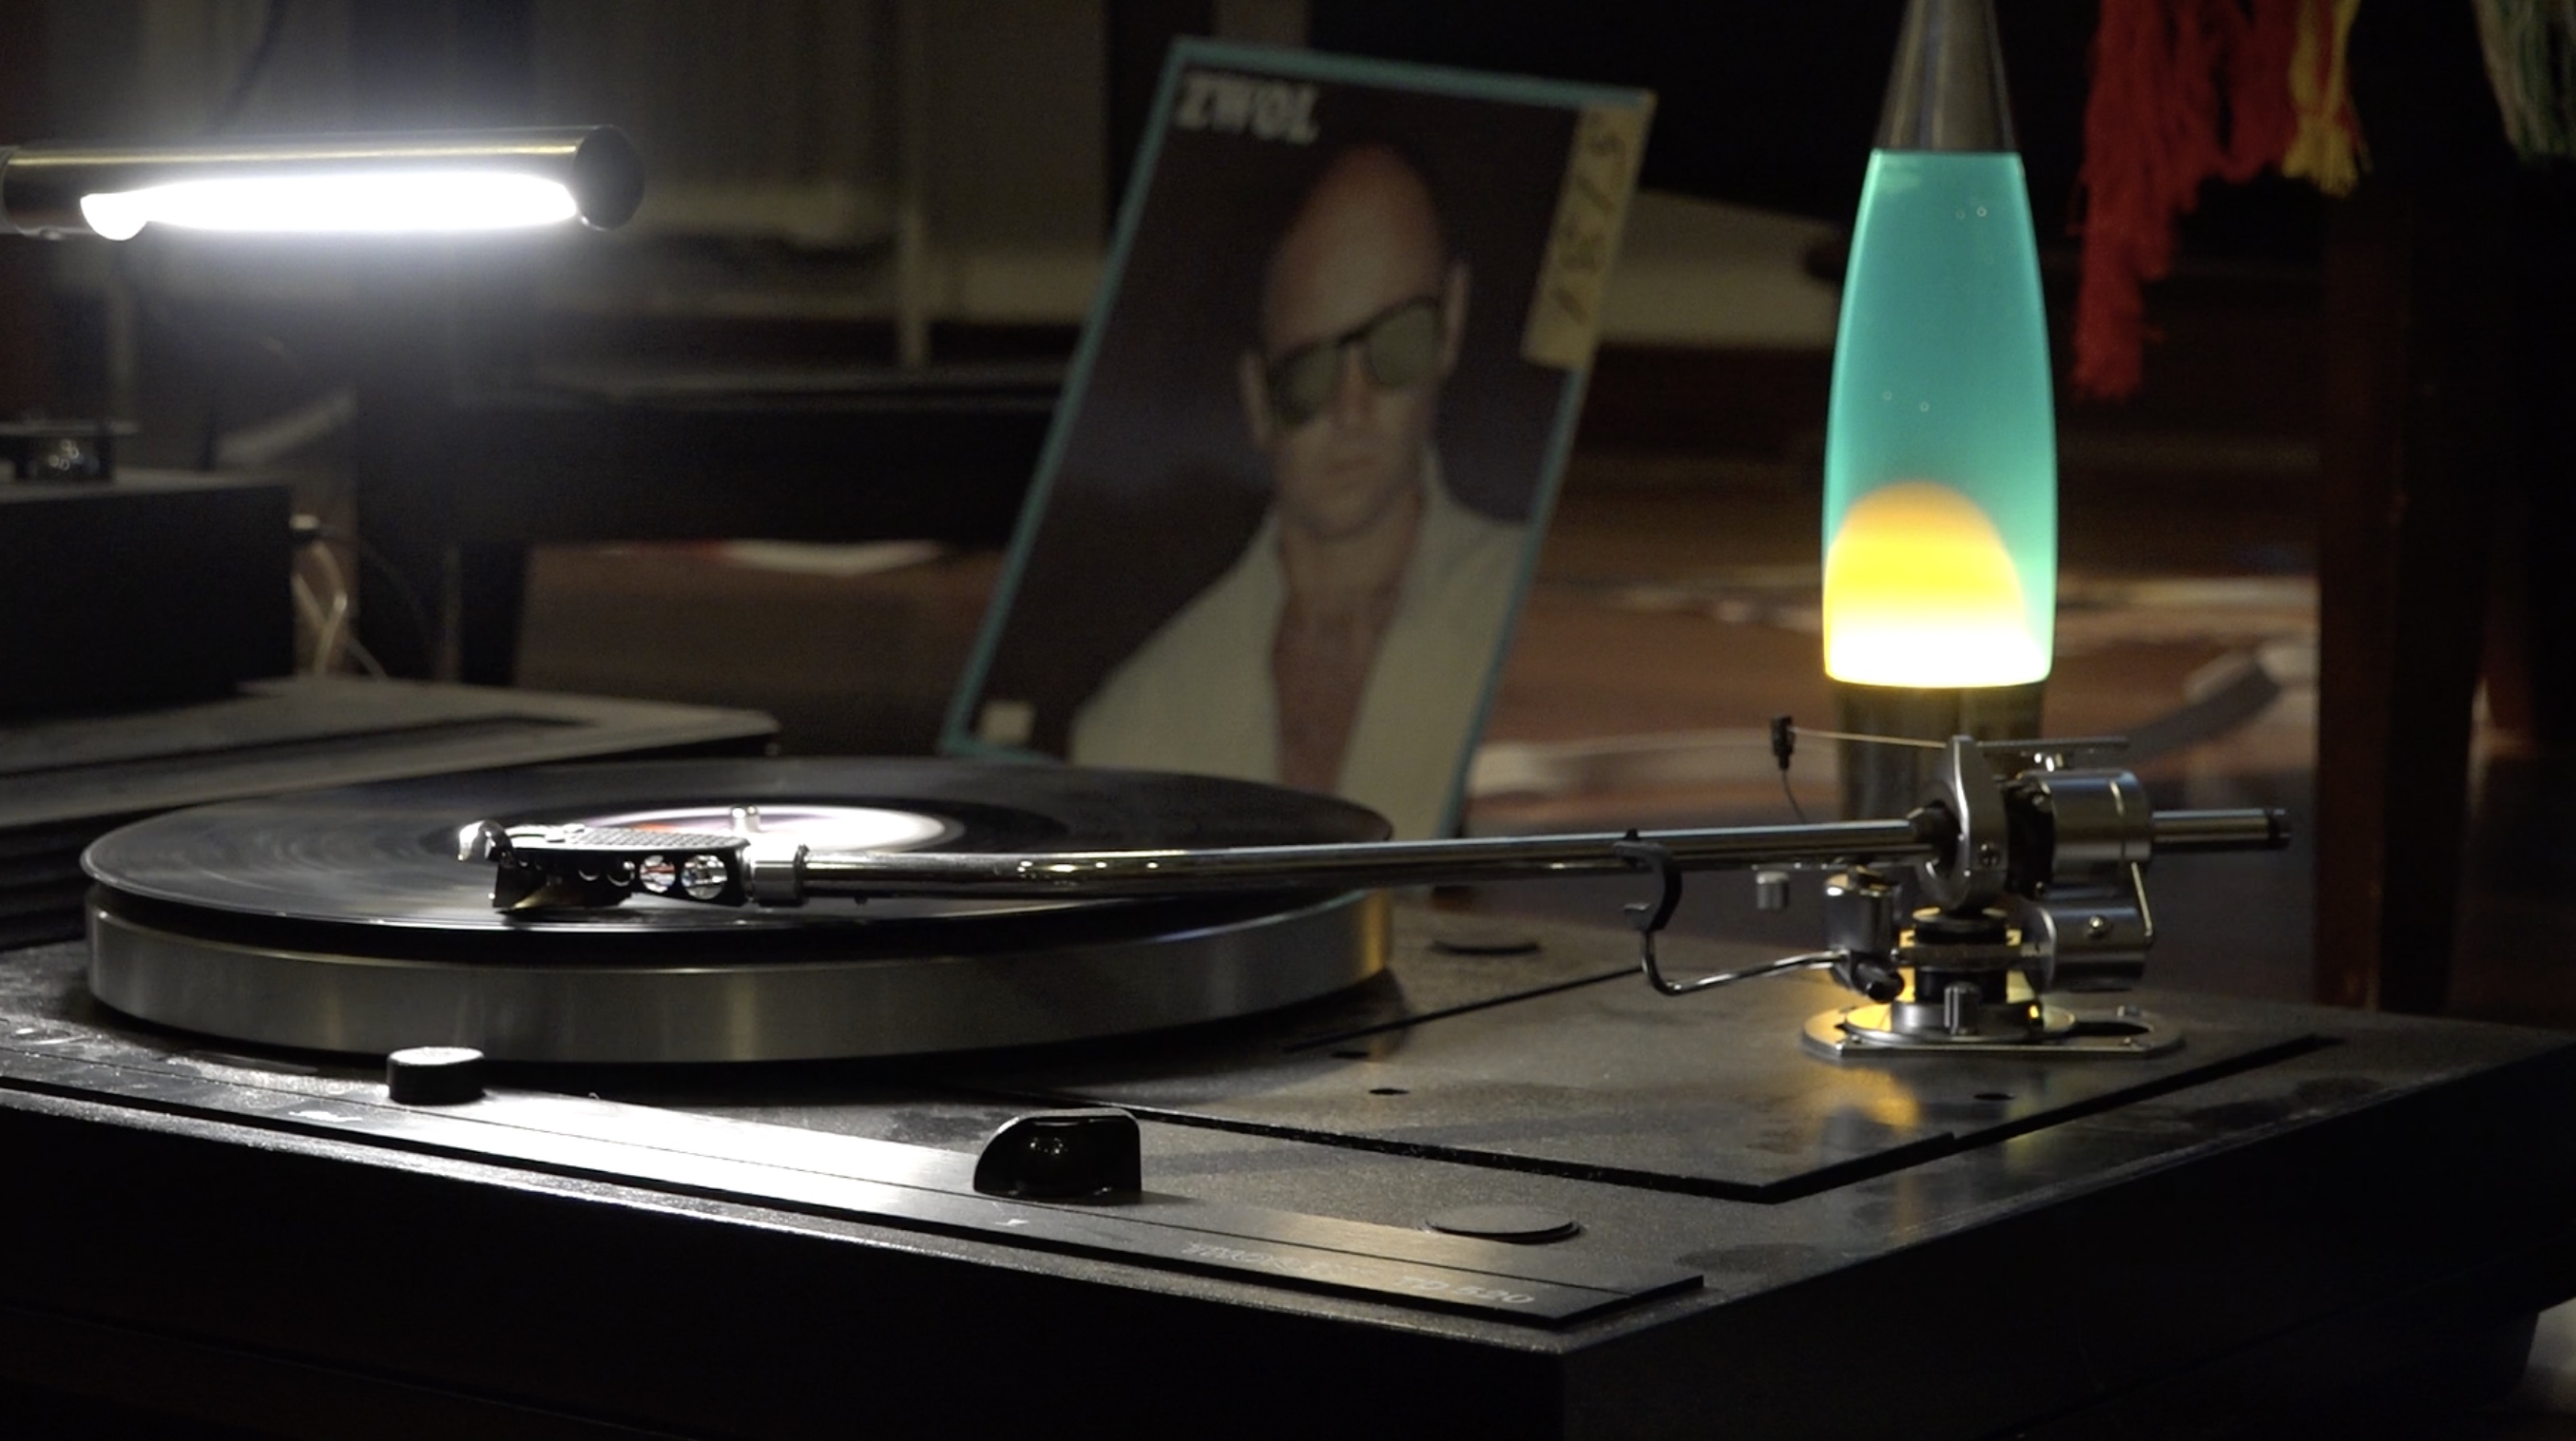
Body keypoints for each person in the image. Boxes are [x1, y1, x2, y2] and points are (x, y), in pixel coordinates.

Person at [1068, 143, 1527, 838]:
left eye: (1394, 343)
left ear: (1452, 322)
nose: (1353, 408)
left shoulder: (1530, 619)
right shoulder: (1134, 721)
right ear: (1257, 400)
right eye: (1308, 373)